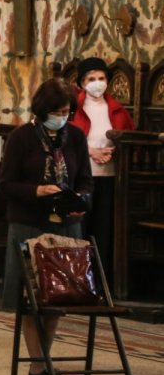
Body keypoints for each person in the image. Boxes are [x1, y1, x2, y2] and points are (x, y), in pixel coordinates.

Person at [0, 78, 92, 375]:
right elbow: (6, 185)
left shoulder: (76, 137)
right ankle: (36, 365)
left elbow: (86, 181)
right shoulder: (21, 137)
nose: (62, 116)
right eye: (57, 111)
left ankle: (44, 362)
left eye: (67, 111)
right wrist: (38, 190)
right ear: (43, 110)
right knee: (32, 299)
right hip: (29, 223)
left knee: (57, 296)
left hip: (65, 226)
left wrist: (81, 201)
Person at [68, 57, 134, 273]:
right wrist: (91, 151)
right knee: (80, 227)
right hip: (82, 176)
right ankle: (78, 276)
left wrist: (112, 151)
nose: (97, 83)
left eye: (101, 78)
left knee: (103, 228)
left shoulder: (116, 108)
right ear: (82, 83)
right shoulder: (72, 108)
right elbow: (64, 138)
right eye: (92, 78)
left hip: (109, 174)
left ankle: (101, 277)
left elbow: (128, 135)